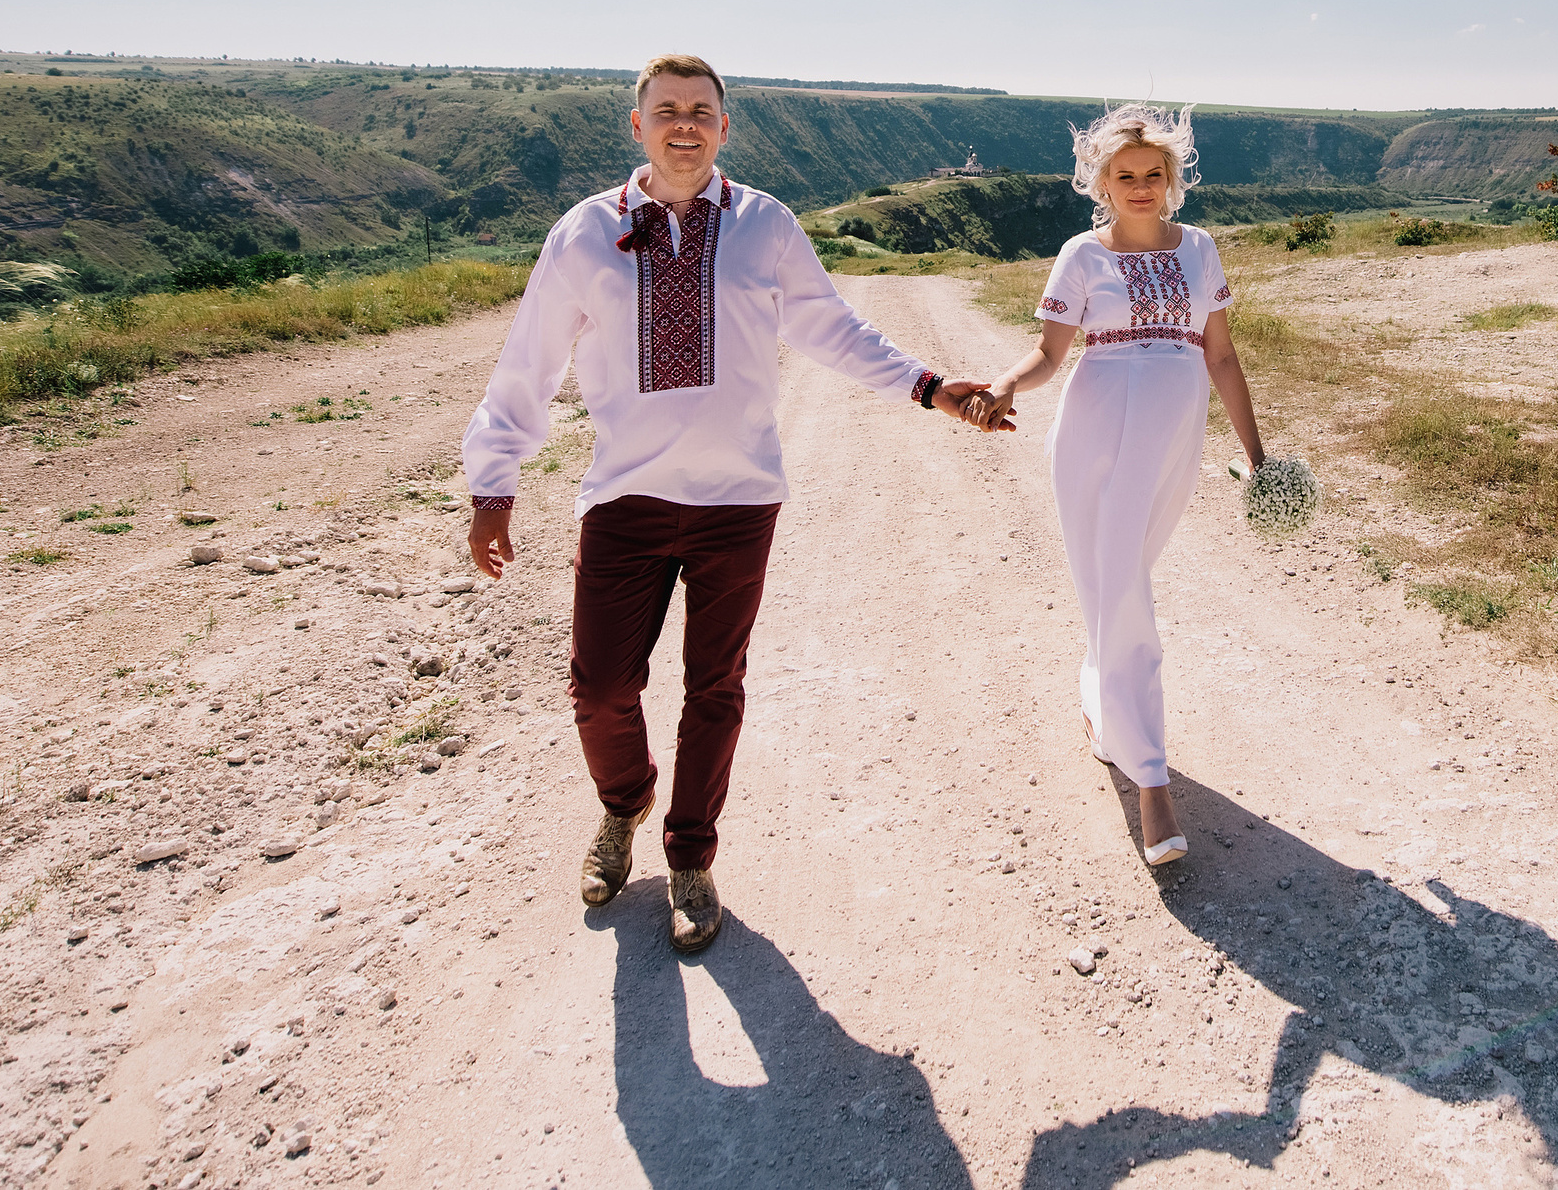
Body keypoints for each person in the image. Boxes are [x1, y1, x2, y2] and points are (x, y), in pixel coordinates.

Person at [462, 55, 1002, 954]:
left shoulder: (765, 226)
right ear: (636, 126)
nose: (684, 125)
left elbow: (831, 327)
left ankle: (689, 856)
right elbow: (529, 362)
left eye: (701, 112)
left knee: (714, 689)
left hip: (739, 503)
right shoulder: (584, 234)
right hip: (625, 499)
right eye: (666, 111)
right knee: (599, 687)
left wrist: (932, 387)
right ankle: (623, 801)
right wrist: (494, 483)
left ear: (725, 127)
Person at [982, 104, 1263, 866]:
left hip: (1173, 438)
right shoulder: (1081, 254)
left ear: (1173, 181)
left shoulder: (1200, 250)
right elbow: (1049, 355)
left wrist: (1259, 456)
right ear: (1101, 182)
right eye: (1124, 175)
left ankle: (1106, 712)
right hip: (1094, 433)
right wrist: (1007, 383)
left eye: (1153, 174)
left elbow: (1223, 358)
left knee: (1122, 581)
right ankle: (1151, 779)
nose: (1140, 186)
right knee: (1120, 587)